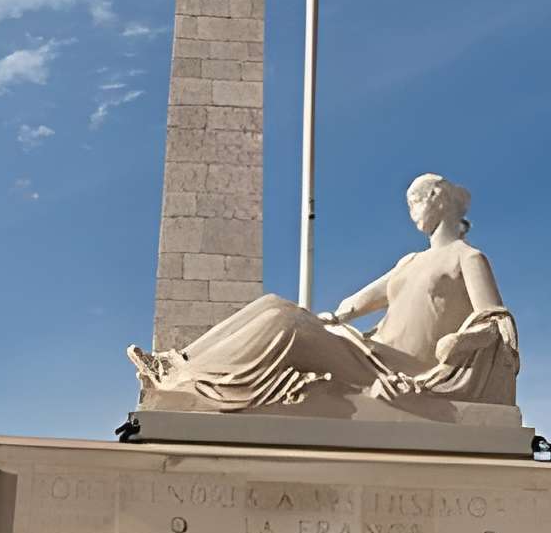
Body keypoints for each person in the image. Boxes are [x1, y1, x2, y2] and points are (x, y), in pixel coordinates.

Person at [129, 172, 519, 411]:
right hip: (370, 349)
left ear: (438, 196)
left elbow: (495, 320)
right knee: (275, 305)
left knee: (286, 324)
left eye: (415, 201)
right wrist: (335, 318)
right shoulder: (409, 262)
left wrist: (462, 342)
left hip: (398, 368)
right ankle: (178, 364)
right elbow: (359, 301)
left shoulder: (467, 257)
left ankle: (186, 376)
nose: (412, 209)